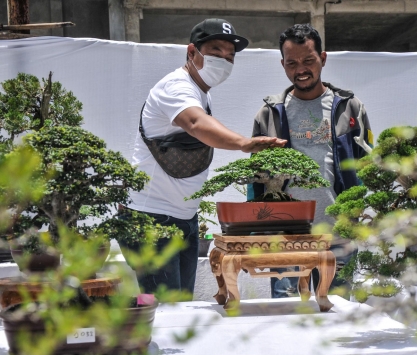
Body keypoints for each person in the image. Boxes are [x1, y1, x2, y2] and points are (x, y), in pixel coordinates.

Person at [121, 18, 287, 296]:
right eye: (215, 50)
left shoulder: (202, 93)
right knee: (167, 313)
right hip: (151, 218)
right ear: (191, 52)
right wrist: (244, 143)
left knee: (181, 305)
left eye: (230, 55)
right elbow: (197, 124)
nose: (223, 59)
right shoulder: (176, 87)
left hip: (184, 218)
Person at [249, 23, 373, 298]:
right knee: (287, 317)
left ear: (323, 58)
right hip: (285, 237)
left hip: (338, 233)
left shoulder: (350, 107)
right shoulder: (268, 114)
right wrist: (256, 230)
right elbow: (253, 178)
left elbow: (366, 166)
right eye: (292, 62)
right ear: (283, 64)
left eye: (308, 60)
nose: (300, 69)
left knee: (338, 315)